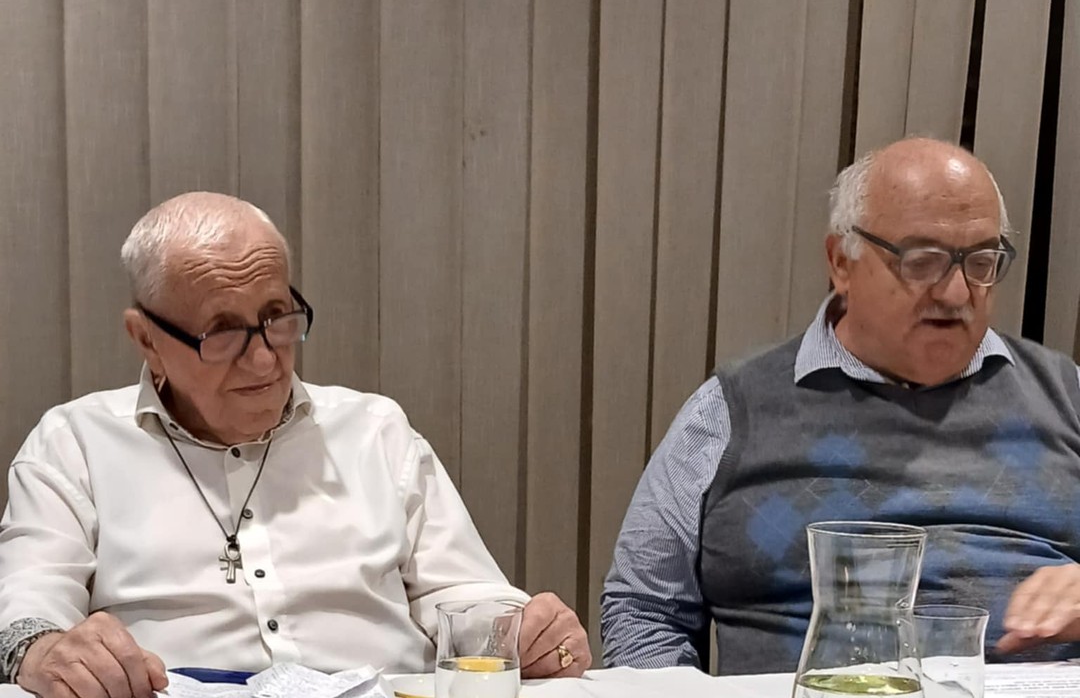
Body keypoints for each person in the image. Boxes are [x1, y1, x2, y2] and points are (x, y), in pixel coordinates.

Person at [0, 192, 590, 698]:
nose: (264, 359)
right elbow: (25, 612)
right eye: (222, 332)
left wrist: (522, 632)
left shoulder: (375, 430)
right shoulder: (74, 443)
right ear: (147, 339)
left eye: (277, 317)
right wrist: (46, 649)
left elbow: (461, 593)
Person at [601, 137, 1080, 674]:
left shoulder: (1067, 397)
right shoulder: (733, 410)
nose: (956, 293)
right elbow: (644, 608)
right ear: (841, 262)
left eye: (982, 262)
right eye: (922, 262)